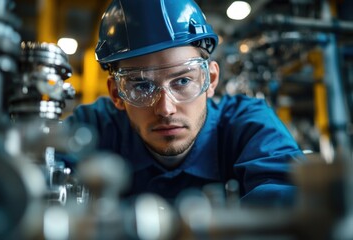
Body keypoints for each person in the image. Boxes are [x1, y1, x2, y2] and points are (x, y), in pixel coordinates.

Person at [64, 0, 305, 206]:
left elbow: (289, 203)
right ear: (116, 94)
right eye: (141, 86)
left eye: (182, 81)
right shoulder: (91, 128)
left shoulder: (250, 126)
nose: (165, 109)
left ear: (210, 80)